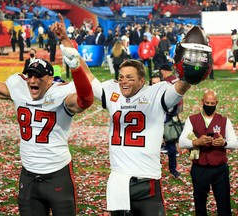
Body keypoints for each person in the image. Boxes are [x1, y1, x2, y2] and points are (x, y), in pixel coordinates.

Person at [53, 14, 197, 216]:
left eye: (130, 77)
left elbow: (181, 87)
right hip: (119, 181)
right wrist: (65, 41)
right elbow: (89, 77)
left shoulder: (156, 93)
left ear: (141, 80)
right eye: (121, 77)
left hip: (147, 179)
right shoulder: (113, 92)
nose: (124, 82)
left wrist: (193, 71)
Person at [0, 30, 94, 216]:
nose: (32, 80)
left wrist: (76, 69)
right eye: (30, 75)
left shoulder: (60, 94)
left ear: (50, 79)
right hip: (28, 176)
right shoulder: (20, 90)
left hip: (58, 175)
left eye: (38, 76)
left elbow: (85, 100)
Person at [179, 90, 238, 216]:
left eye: (212, 103)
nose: (209, 105)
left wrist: (224, 143)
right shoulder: (192, 119)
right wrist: (196, 141)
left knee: (224, 202)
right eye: (207, 103)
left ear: (216, 103)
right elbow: (182, 142)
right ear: (202, 102)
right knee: (200, 203)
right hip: (200, 168)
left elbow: (235, 143)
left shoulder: (224, 121)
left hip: (219, 168)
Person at [160, 64, 182, 178]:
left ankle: (173, 169)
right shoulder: (172, 79)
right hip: (154, 123)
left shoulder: (167, 83)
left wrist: (173, 115)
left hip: (167, 121)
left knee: (171, 148)